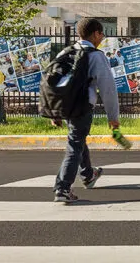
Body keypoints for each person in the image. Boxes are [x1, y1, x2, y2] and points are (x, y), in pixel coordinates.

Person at [52, 18, 120, 204]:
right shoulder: (96, 56)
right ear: (96, 34)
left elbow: (54, 82)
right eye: (102, 33)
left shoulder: (66, 52)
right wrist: (113, 117)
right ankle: (63, 188)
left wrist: (55, 111)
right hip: (82, 107)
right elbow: (108, 89)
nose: (103, 37)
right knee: (75, 143)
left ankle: (88, 175)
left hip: (66, 106)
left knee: (78, 137)